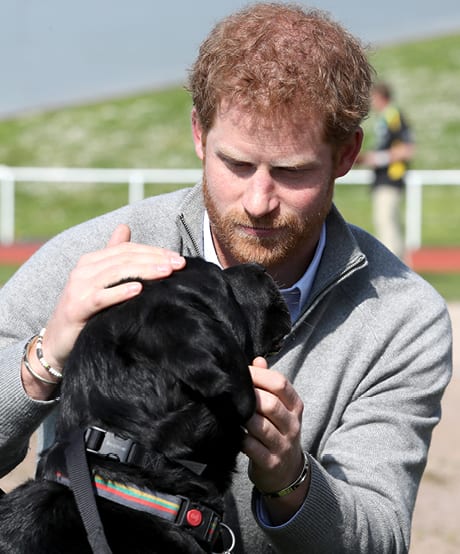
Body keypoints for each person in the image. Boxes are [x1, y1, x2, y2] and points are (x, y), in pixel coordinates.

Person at [0, 3, 452, 553]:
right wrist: (43, 361)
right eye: (237, 164)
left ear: (347, 154)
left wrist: (291, 480)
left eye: (291, 172)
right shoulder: (94, 259)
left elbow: (379, 540)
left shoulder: (402, 319)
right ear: (198, 132)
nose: (258, 202)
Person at [358, 81, 415, 259]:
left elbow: (407, 149)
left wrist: (375, 158)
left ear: (381, 97)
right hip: (383, 179)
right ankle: (401, 270)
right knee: (389, 225)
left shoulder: (394, 115)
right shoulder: (385, 118)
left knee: (387, 225)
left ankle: (394, 271)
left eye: (373, 98)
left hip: (391, 179)